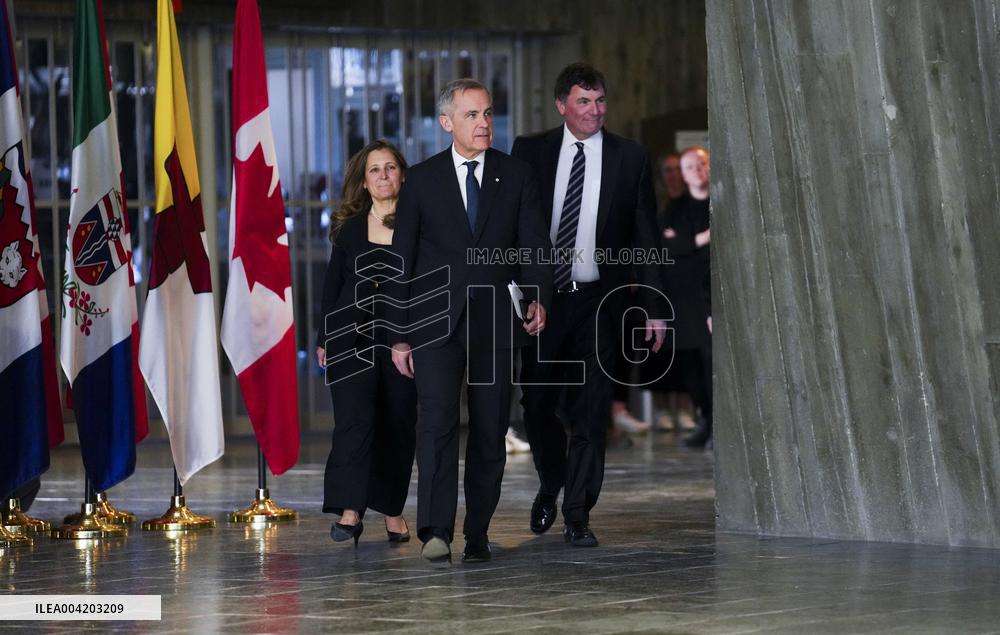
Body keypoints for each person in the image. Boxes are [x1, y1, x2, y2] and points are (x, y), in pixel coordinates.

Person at [388, 79, 553, 565]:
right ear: (447, 123)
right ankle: (436, 530)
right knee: (436, 424)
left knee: (488, 428)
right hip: (433, 322)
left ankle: (477, 530)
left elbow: (535, 246)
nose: (484, 123)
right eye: (472, 115)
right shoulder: (420, 179)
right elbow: (403, 258)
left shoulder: (516, 174)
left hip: (496, 321)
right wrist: (399, 336)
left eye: (487, 114)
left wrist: (539, 296)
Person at [513, 63, 667, 547]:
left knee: (591, 409)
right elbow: (517, 225)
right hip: (545, 301)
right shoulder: (529, 151)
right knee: (537, 406)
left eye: (600, 101)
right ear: (562, 105)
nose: (594, 111)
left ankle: (577, 512)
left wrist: (656, 306)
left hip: (601, 300)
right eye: (584, 101)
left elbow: (645, 232)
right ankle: (552, 482)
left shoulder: (630, 156)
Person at [316, 140, 417, 546]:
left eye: (390, 168)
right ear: (364, 180)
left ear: (402, 175)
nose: (382, 176)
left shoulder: (417, 223)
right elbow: (332, 285)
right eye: (374, 170)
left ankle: (392, 510)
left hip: (402, 338)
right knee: (354, 424)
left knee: (397, 423)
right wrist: (324, 337)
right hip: (348, 336)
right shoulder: (349, 226)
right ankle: (351, 510)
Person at [660, 146, 712, 448]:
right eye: (689, 166)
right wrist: (700, 240)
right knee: (691, 365)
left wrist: (683, 245)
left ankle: (718, 423)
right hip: (683, 298)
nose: (696, 171)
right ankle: (705, 419)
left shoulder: (720, 201)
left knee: (710, 361)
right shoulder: (674, 209)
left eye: (701, 164)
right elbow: (665, 248)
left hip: (712, 296)